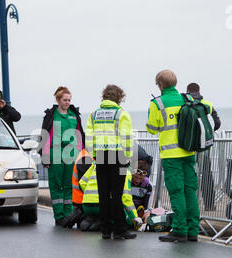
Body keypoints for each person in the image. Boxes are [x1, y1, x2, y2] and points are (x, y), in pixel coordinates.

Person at [146, 70, 200, 242]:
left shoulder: (158, 103)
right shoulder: (187, 99)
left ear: (160, 85)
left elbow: (153, 128)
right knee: (190, 190)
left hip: (171, 154)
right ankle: (193, 230)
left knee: (177, 192)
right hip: (189, 151)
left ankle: (179, 229)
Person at [85, 84, 136, 240]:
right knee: (117, 194)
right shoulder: (121, 114)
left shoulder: (94, 114)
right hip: (118, 156)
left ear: (104, 96)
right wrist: (127, 156)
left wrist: (94, 154)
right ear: (119, 97)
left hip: (100, 156)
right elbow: (126, 137)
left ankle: (106, 230)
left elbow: (89, 138)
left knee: (104, 194)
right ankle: (120, 229)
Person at [40, 86, 85, 226]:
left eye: (69, 100)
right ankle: (59, 216)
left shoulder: (74, 114)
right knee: (56, 186)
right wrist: (45, 156)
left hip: (72, 155)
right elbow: (45, 136)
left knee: (69, 186)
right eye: (65, 100)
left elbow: (80, 136)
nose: (67, 102)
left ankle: (69, 215)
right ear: (58, 100)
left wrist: (82, 155)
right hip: (55, 154)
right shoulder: (51, 115)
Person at [79, 161, 142, 231]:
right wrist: (134, 217)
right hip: (103, 206)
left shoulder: (96, 163)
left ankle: (92, 219)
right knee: (122, 216)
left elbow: (82, 182)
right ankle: (105, 223)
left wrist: (90, 196)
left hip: (86, 205)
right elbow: (126, 197)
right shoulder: (124, 170)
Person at [186, 82, 219, 212]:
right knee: (206, 174)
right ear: (199, 91)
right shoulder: (207, 104)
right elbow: (216, 123)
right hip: (203, 144)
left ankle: (190, 203)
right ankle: (209, 204)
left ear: (187, 91)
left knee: (188, 173)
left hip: (188, 145)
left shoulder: (185, 103)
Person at [60, 148, 93, 229]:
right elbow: (85, 186)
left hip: (81, 201)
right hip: (83, 201)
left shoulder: (86, 155)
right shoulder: (86, 158)